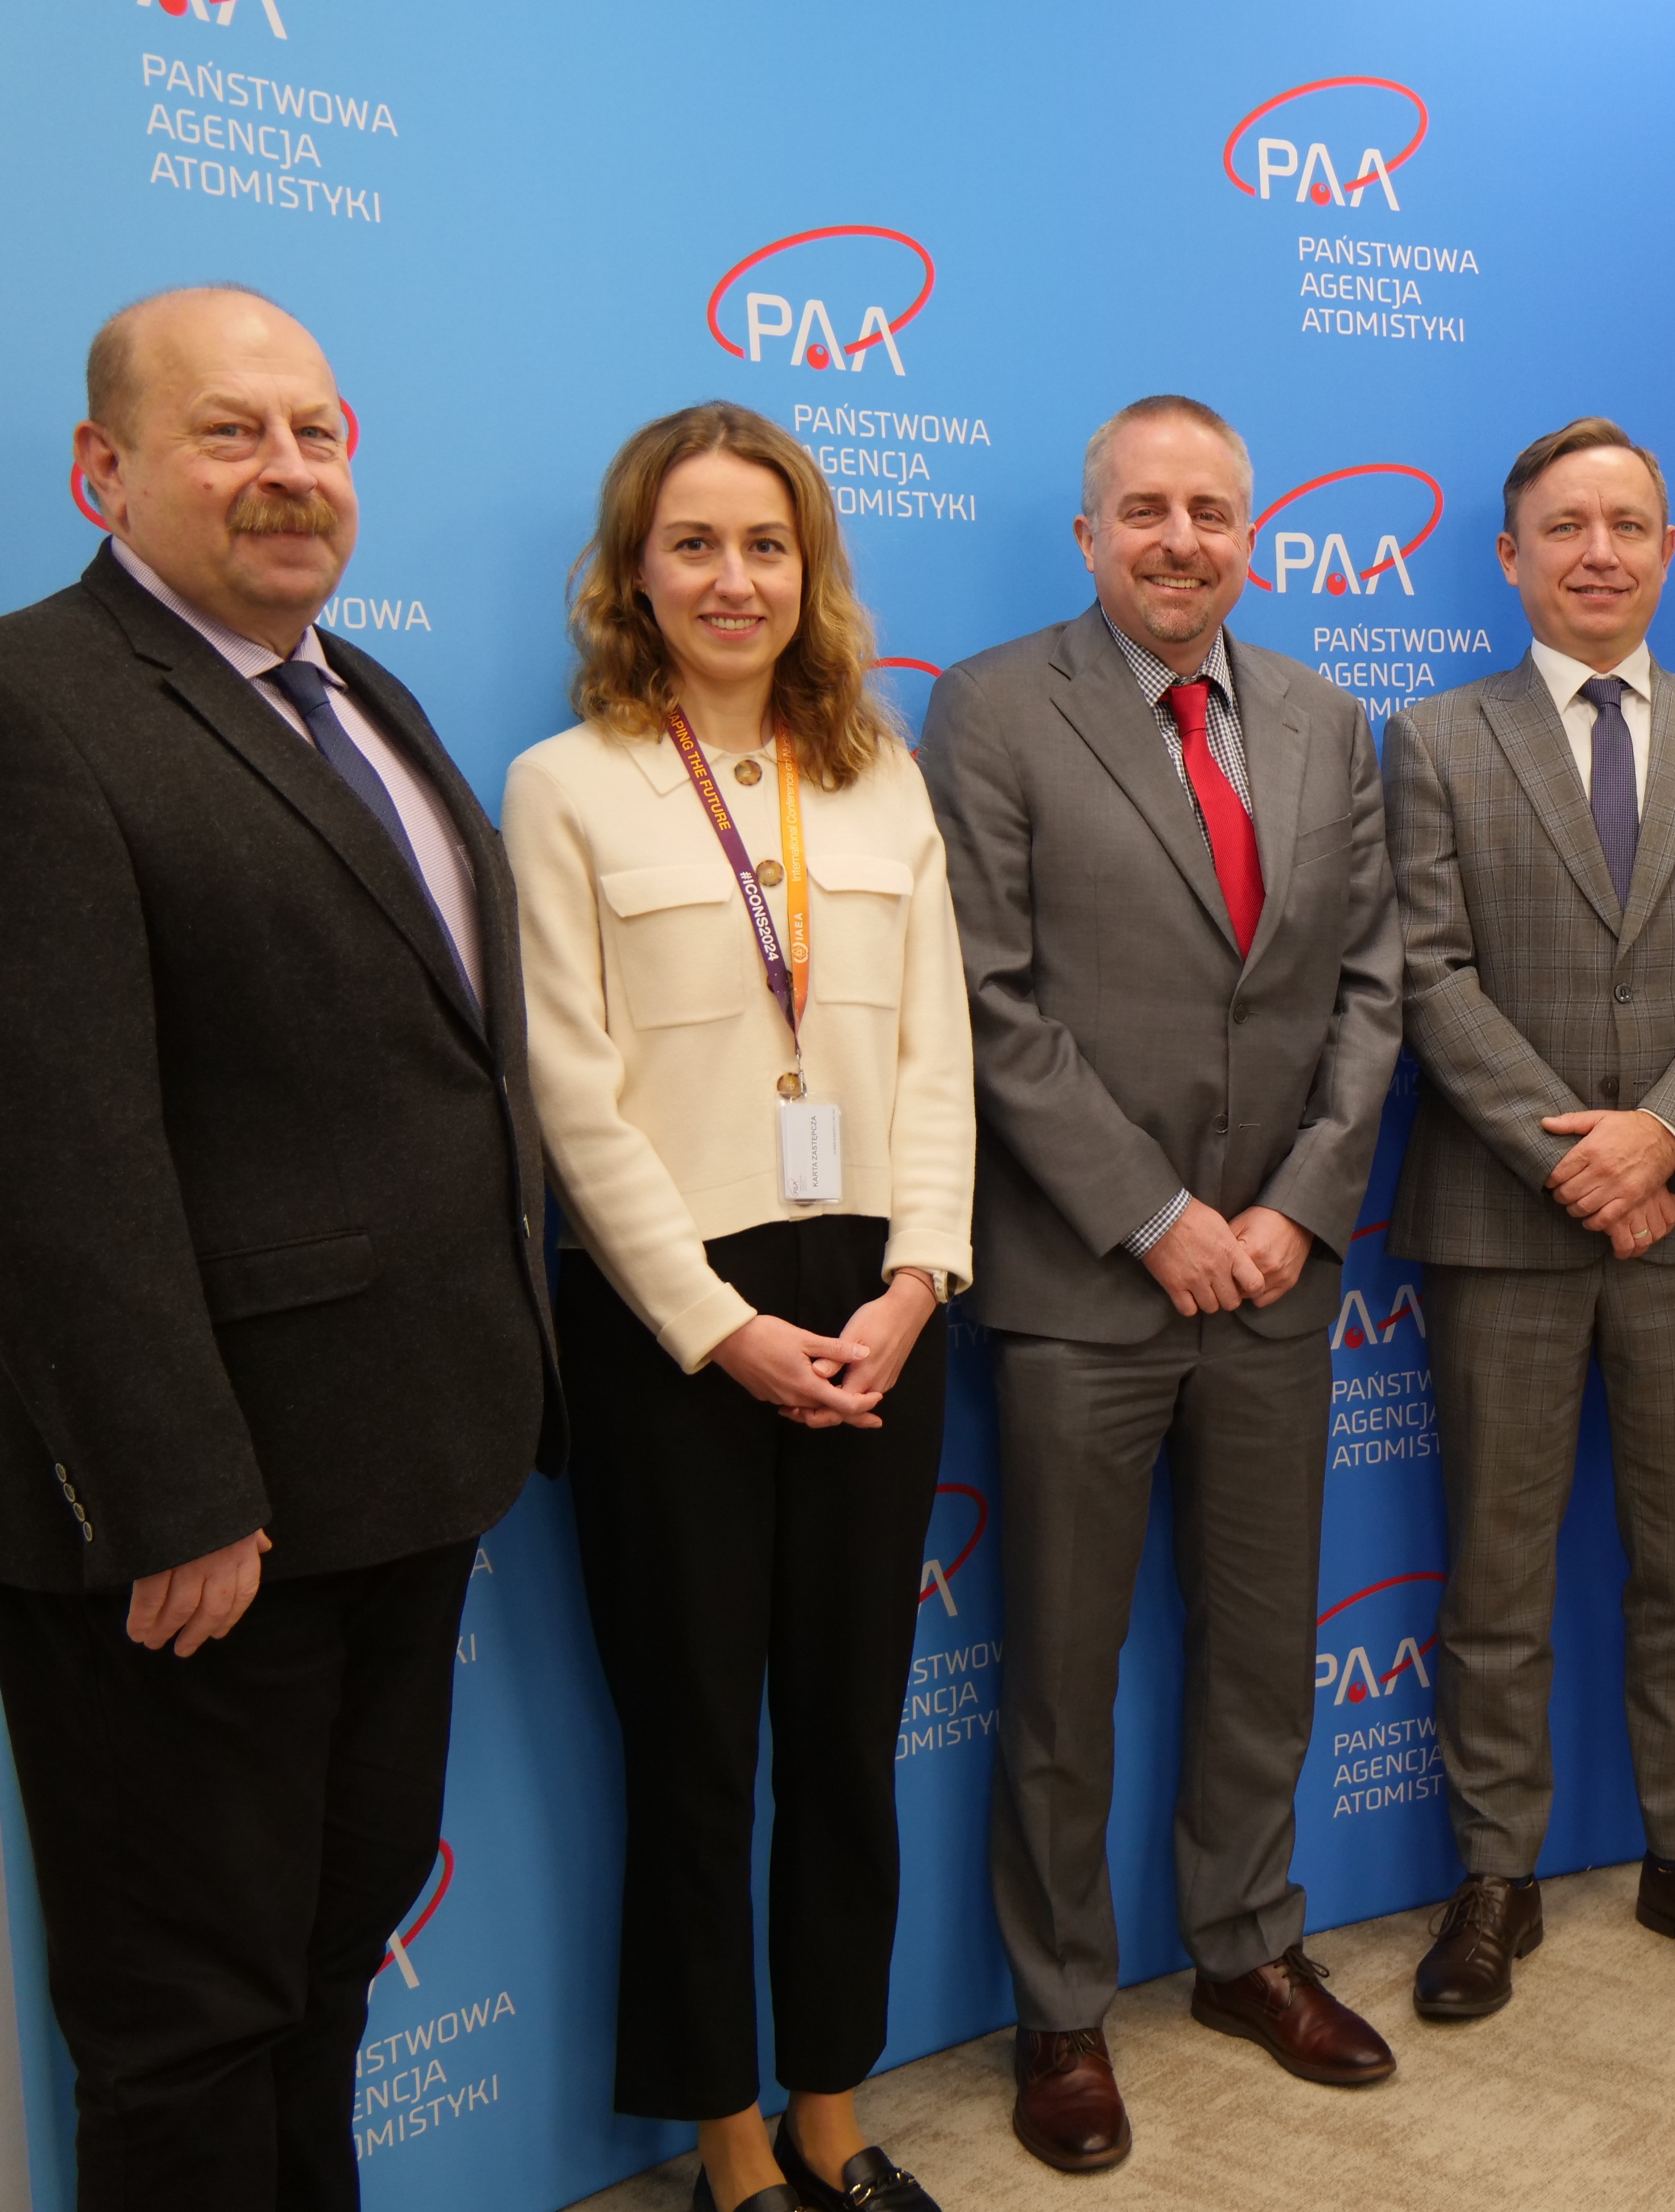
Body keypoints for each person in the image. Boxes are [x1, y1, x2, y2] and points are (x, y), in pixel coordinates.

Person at [0, 286, 558, 2210]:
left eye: (316, 432)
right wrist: (174, 1496)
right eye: (229, 432)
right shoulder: (35, 705)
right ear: (105, 469)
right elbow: (56, 1156)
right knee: (189, 2028)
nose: (289, 472)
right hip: (201, 1530)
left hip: (401, 1475)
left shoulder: (357, 692)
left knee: (321, 1975)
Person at [921, 394, 1404, 2173]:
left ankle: (1247, 1946)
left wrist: (1295, 1208)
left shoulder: (1327, 720)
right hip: (1088, 1284)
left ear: (1252, 537)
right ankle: (1061, 2012)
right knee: (1064, 1674)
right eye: (1145, 511)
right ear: (1089, 536)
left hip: (1278, 1274)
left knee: (1264, 1650)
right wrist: (1153, 1214)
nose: (1179, 540)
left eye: (1210, 512)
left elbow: (1372, 986)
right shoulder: (994, 708)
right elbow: (988, 996)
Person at [503, 403, 971, 2212]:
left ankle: (832, 2109)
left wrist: (920, 1278)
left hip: (876, 1306)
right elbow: (570, 1089)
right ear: (635, 573)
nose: (732, 579)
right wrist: (715, 1328)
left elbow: (937, 1054)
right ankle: (726, 2141)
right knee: (697, 1751)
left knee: (848, 1739)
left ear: (809, 571)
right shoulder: (565, 787)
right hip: (673, 1326)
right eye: (693, 544)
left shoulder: (881, 776)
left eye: (765, 546)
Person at [1383, 417, 1675, 2020]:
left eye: (1628, 524)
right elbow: (1425, 970)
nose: (1599, 553)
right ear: (1512, 558)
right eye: (1566, 527)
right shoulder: (1433, 740)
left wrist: (1665, 1139)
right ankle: (1494, 1876)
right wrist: (1574, 1157)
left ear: (1667, 550)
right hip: (1504, 1226)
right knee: (1496, 1577)